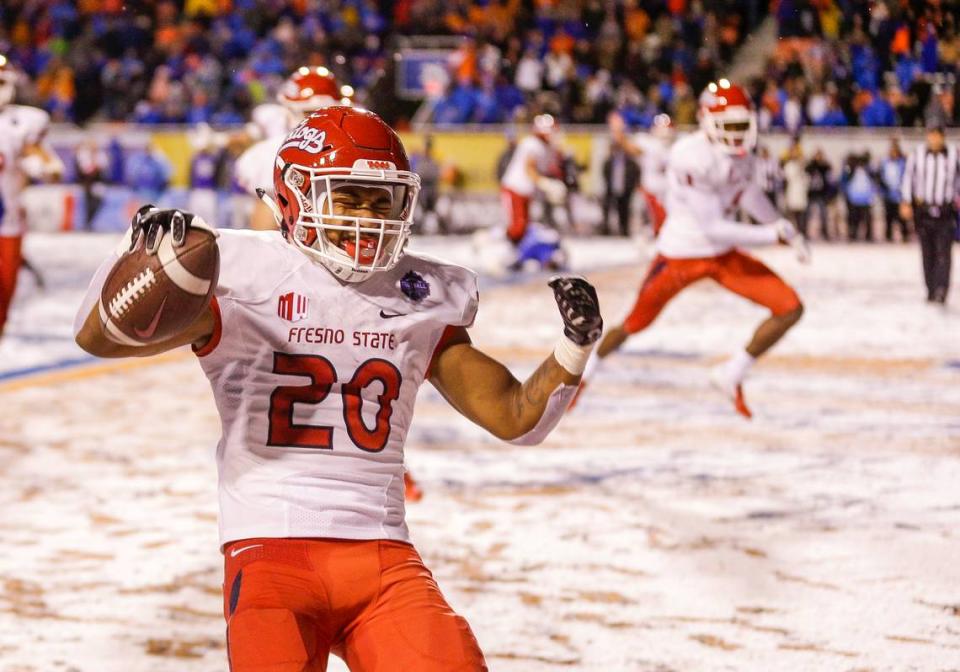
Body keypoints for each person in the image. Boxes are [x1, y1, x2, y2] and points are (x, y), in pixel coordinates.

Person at [74, 107, 603, 670]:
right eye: (350, 196)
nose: (370, 218)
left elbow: (515, 416)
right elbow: (99, 339)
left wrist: (574, 345)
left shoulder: (419, 294)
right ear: (297, 196)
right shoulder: (239, 269)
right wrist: (134, 263)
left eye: (383, 201)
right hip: (269, 551)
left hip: (383, 558)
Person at [575, 80, 808, 419]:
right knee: (634, 323)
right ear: (707, 122)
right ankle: (587, 370)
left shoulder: (740, 154)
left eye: (743, 125)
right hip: (681, 255)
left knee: (790, 308)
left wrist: (785, 226)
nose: (738, 134)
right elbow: (712, 225)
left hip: (723, 255)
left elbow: (748, 194)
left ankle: (731, 374)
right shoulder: (689, 155)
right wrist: (773, 235)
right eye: (730, 126)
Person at [234, 67, 353, 231]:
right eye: (310, 113)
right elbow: (266, 233)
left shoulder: (347, 146)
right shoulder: (275, 152)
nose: (318, 121)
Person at [0, 54, 64, 340]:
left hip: (7, 219)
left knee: (5, 287)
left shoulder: (19, 122)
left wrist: (43, 167)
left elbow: (47, 165)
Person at [900, 122, 960, 304]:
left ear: (943, 136)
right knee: (927, 252)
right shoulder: (917, 155)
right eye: (931, 134)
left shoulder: (954, 155)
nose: (934, 138)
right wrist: (906, 201)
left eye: (937, 135)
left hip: (945, 210)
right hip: (924, 210)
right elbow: (908, 178)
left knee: (944, 252)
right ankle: (930, 288)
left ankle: (942, 288)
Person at [499, 114, 567, 245]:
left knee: (524, 227)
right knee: (518, 227)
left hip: (525, 191)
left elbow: (550, 169)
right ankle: (492, 243)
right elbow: (529, 169)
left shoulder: (546, 147)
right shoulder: (532, 144)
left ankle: (514, 253)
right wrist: (548, 185)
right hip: (515, 188)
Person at [601, 112, 641, 236]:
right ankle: (606, 228)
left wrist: (622, 139)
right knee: (608, 203)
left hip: (625, 176)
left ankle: (624, 229)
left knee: (624, 204)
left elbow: (636, 152)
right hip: (612, 177)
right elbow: (606, 157)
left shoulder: (629, 137)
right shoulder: (609, 139)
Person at [842, 151, 877, 242]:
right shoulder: (851, 170)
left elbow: (874, 182)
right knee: (853, 219)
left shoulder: (869, 170)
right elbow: (844, 182)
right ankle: (853, 235)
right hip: (853, 199)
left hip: (866, 199)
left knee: (867, 218)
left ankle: (868, 236)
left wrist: (872, 196)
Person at [879, 138, 909, 242]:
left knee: (902, 217)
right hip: (888, 194)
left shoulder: (903, 162)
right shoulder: (885, 162)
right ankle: (888, 235)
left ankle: (905, 235)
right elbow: (880, 176)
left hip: (900, 194)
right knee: (889, 216)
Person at [781, 140, 810, 237]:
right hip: (792, 192)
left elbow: (807, 179)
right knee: (791, 215)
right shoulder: (789, 165)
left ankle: (802, 233)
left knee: (802, 215)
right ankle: (790, 234)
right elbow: (788, 177)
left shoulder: (803, 166)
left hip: (801, 192)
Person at [805, 148, 833, 241]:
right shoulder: (811, 166)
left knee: (823, 215)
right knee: (808, 215)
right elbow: (806, 170)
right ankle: (805, 232)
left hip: (821, 194)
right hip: (812, 193)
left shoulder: (824, 166)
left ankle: (825, 233)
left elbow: (829, 175)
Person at [755, 144, 783, 210]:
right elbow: (758, 176)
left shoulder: (773, 161)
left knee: (773, 206)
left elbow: (779, 174)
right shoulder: (759, 162)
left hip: (772, 188)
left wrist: (773, 175)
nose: (764, 153)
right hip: (763, 188)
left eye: (765, 152)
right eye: (763, 152)